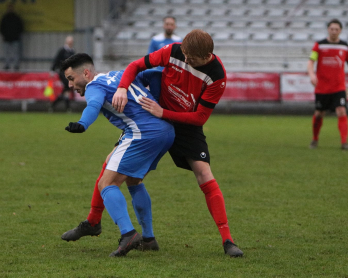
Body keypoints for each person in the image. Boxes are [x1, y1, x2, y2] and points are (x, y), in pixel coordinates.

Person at [62, 29, 244, 257]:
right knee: (117, 168)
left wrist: (162, 111)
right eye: (184, 55)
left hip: (178, 123)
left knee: (204, 174)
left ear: (208, 55)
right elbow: (137, 67)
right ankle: (105, 225)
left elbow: (200, 118)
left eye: (191, 59)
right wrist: (122, 88)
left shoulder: (217, 75)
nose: (185, 61)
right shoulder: (174, 50)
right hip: (152, 118)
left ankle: (228, 240)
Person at [62, 53, 175, 257]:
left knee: (106, 184)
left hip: (143, 133)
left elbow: (93, 105)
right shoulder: (118, 75)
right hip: (165, 130)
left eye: (71, 79)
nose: (70, 85)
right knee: (133, 180)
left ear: (86, 73)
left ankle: (128, 234)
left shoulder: (94, 86)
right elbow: (154, 74)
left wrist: (82, 124)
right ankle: (148, 239)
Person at [307, 19, 348, 150]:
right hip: (322, 87)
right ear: (328, 30)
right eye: (332, 29)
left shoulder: (345, 46)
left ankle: (344, 142)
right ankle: (315, 139)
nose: (334, 31)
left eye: (337, 29)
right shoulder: (319, 45)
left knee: (341, 111)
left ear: (340, 31)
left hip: (339, 86)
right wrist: (312, 75)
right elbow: (311, 61)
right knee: (319, 114)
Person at [50, 35, 75, 111]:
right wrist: (52, 70)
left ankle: (54, 104)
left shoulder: (72, 51)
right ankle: (67, 107)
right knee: (67, 87)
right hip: (62, 72)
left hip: (70, 73)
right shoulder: (62, 51)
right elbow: (56, 60)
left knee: (66, 89)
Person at [0, 3, 24, 71]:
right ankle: (7, 65)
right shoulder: (4, 18)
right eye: (9, 8)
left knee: (16, 52)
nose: (10, 9)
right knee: (6, 52)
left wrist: (18, 35)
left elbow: (21, 27)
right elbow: (1, 27)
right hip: (6, 38)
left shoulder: (17, 18)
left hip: (15, 38)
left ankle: (16, 65)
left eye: (11, 8)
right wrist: (3, 35)